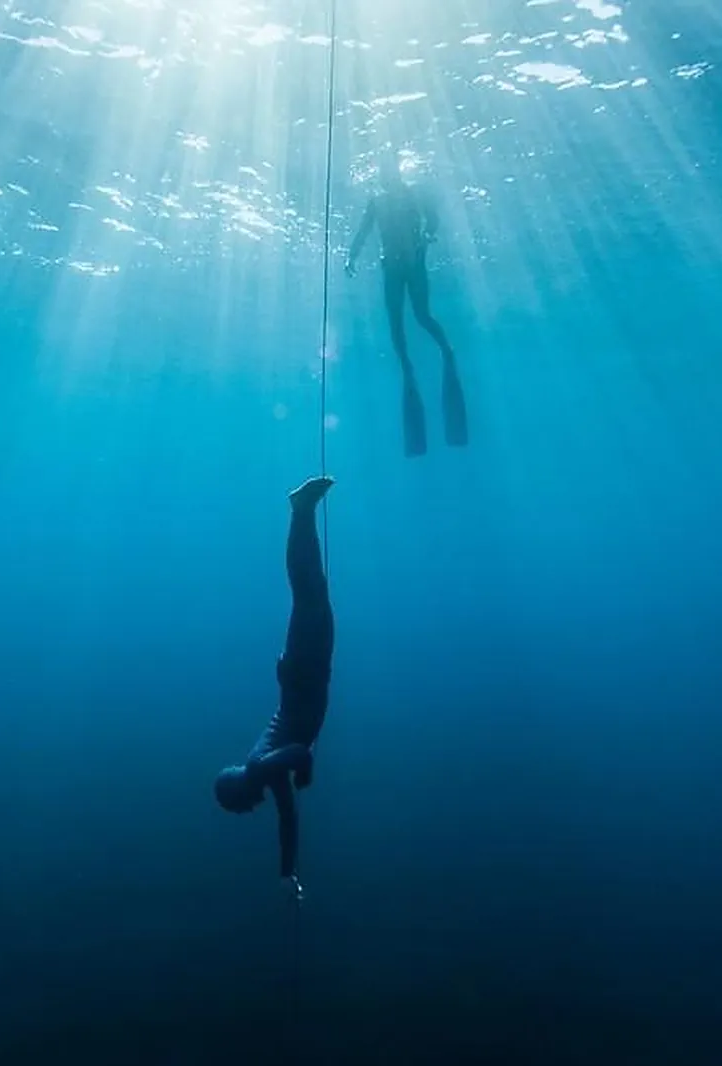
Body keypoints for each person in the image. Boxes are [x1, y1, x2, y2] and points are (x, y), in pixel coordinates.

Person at [213, 475, 336, 886]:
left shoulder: (260, 769)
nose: (249, 811)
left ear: (238, 792)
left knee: (309, 592)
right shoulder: (264, 772)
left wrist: (306, 771)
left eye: (239, 807)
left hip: (305, 675)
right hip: (302, 677)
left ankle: (300, 511)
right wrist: (288, 873)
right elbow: (288, 817)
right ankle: (302, 513)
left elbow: (299, 752)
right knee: (311, 592)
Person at [345, 156, 468, 456]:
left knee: (421, 315)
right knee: (397, 321)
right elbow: (363, 231)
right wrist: (351, 256)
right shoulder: (377, 202)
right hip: (394, 267)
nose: (387, 178)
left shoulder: (412, 194)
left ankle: (444, 351)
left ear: (396, 174)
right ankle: (409, 366)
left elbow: (432, 217)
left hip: (413, 264)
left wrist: (428, 234)